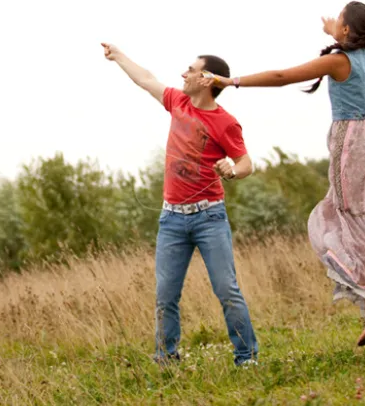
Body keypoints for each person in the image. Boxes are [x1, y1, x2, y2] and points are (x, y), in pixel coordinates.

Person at [203, 1, 365, 347]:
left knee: (344, 219)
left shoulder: (337, 61)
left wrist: (229, 80)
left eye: (340, 20)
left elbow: (283, 78)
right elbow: (348, 40)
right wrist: (333, 32)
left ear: (346, 31)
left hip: (353, 144)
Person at [102, 43, 259, 366]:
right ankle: (166, 359)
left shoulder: (225, 123)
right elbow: (146, 79)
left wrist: (232, 170)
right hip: (171, 220)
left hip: (209, 218)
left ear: (206, 79)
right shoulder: (178, 101)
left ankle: (247, 358)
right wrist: (118, 56)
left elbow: (246, 164)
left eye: (190, 69)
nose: (183, 74)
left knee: (227, 291)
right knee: (165, 297)